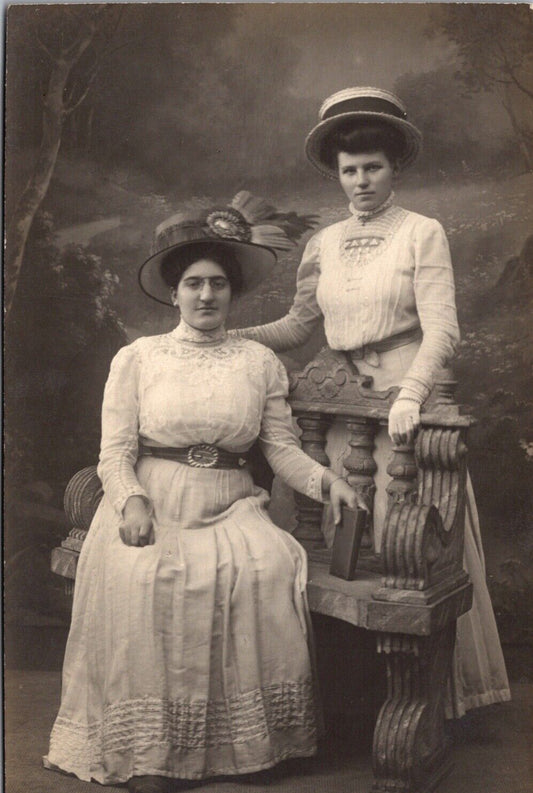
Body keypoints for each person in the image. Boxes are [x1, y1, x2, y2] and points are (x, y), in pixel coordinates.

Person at [43, 193, 359, 793]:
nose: (206, 296)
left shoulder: (259, 361)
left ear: (232, 292)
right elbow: (114, 453)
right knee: (148, 576)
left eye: (218, 284)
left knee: (267, 568)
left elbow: (283, 449)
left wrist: (328, 482)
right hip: (154, 499)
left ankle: (248, 746)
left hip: (231, 501)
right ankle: (150, 757)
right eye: (193, 283)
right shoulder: (138, 359)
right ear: (173, 291)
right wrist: (131, 502)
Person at [232, 87, 511, 719]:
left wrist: (411, 391)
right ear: (338, 174)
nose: (361, 181)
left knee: (405, 546)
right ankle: (344, 692)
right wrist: (227, 334)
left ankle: (422, 699)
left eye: (373, 168)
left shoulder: (422, 232)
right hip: (342, 402)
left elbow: (443, 328)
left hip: (408, 396)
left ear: (395, 169)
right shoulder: (324, 243)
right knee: (333, 541)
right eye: (349, 171)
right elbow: (300, 324)